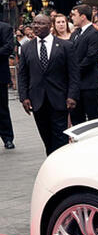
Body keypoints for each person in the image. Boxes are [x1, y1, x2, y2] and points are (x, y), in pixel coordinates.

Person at [16, 14, 79, 155]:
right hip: (37, 100)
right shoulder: (27, 48)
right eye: (34, 23)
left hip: (59, 99)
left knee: (60, 137)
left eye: (41, 23)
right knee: (46, 137)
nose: (36, 26)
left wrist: (72, 95)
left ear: (50, 26)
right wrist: (24, 97)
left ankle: (59, 165)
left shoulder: (65, 46)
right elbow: (23, 74)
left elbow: (74, 73)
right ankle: (50, 162)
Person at [68, 4, 98, 125]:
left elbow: (91, 58)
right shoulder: (75, 34)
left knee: (94, 119)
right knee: (77, 119)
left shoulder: (94, 33)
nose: (72, 18)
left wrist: (74, 71)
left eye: (74, 15)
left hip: (90, 84)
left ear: (83, 16)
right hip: (76, 86)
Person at [0, 19, 14, 148]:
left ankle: (7, 138)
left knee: (2, 108)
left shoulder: (5, 28)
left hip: (0, 75)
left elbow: (8, 47)